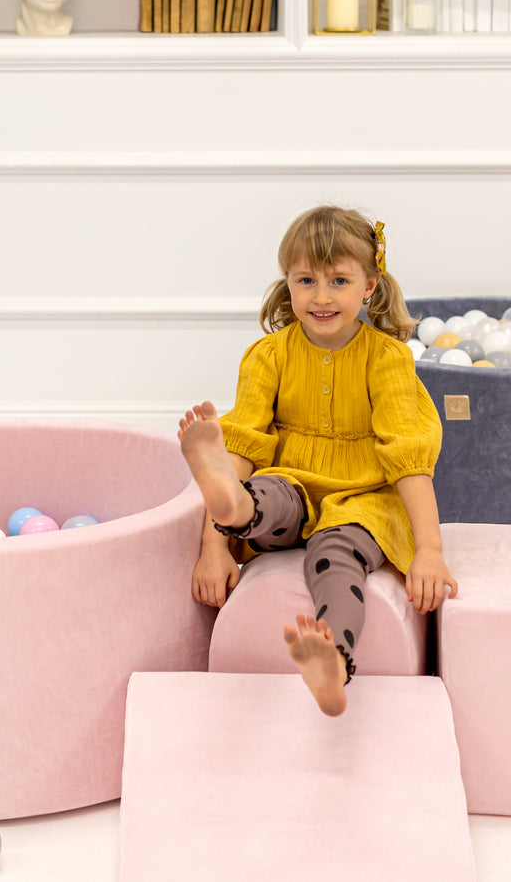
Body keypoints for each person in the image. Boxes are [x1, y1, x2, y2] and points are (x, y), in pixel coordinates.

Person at [178, 205, 458, 717]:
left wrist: (430, 550)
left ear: (370, 286)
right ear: (288, 284)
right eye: (306, 280)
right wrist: (213, 551)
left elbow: (408, 458)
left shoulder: (387, 358)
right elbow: (245, 447)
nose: (322, 297)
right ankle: (230, 510)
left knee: (335, 556)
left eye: (339, 280)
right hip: (293, 487)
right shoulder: (268, 355)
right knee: (267, 495)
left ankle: (333, 659)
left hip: (364, 498)